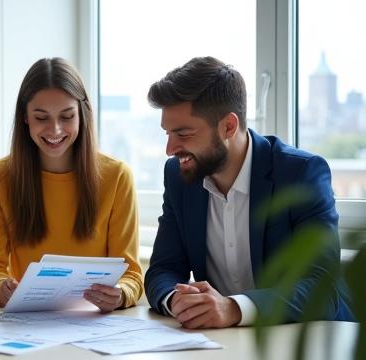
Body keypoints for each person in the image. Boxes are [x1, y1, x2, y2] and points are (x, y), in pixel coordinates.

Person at [144, 56, 354, 329]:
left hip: (311, 339)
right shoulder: (179, 176)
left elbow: (322, 288)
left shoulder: (301, 173)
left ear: (228, 127)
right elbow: (164, 268)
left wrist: (233, 308)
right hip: (225, 344)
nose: (170, 149)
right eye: (167, 133)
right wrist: (178, 301)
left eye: (183, 134)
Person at [0, 57, 143, 312]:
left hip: (94, 323)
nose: (55, 129)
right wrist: (0, 288)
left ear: (82, 115)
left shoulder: (117, 177)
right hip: (26, 322)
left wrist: (120, 294)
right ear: (25, 118)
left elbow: (131, 274)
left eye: (67, 116)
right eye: (41, 117)